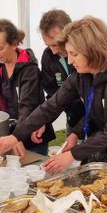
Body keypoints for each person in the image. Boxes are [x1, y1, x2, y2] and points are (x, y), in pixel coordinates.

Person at [0, 17, 107, 176]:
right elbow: (52, 106)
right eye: (68, 53)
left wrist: (71, 155)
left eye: (74, 54)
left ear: (93, 51)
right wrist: (15, 136)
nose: (69, 61)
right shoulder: (82, 75)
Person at [0, 19, 55, 156]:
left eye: (0, 48)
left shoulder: (29, 70)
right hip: (13, 134)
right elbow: (1, 82)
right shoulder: (1, 66)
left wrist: (17, 136)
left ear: (14, 44)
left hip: (33, 134)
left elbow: (26, 105)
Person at [38, 9, 84, 139]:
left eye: (55, 44)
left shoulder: (86, 53)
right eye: (48, 45)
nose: (53, 51)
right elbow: (53, 96)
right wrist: (43, 121)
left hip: (98, 122)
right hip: (73, 120)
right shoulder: (48, 56)